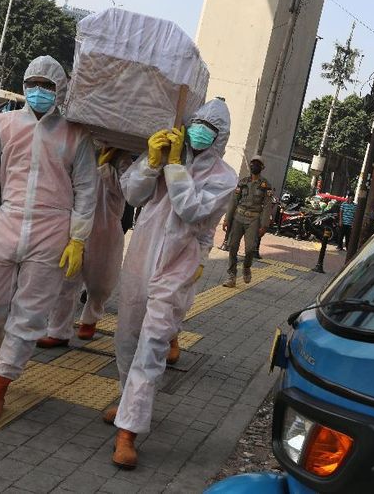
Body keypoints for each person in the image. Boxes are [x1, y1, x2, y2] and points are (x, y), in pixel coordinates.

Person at [0, 56, 97, 424]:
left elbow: (87, 189)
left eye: (47, 85)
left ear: (60, 89)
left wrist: (78, 238)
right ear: (24, 85)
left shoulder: (76, 134)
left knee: (29, 315)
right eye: (33, 83)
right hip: (8, 220)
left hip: (53, 228)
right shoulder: (2, 125)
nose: (39, 90)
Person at [110, 99, 236, 469]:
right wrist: (151, 163)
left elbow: (191, 210)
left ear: (220, 137)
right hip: (140, 259)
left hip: (178, 268)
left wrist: (176, 167)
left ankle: (128, 432)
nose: (200, 132)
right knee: (126, 338)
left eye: (209, 128)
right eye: (196, 123)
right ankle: (127, 402)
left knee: (152, 345)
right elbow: (133, 195)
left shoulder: (224, 177)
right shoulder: (165, 153)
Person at [37, 147, 132, 348]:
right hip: (75, 223)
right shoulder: (80, 149)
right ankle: (58, 331)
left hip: (105, 228)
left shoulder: (122, 159)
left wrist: (106, 167)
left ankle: (91, 317)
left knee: (101, 282)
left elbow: (128, 192)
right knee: (66, 279)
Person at [222, 156, 272, 288]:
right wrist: (227, 219)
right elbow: (233, 201)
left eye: (257, 164)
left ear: (262, 167)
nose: (254, 166)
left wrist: (264, 225)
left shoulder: (265, 185)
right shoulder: (243, 182)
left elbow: (267, 206)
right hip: (238, 217)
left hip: (253, 220)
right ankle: (231, 276)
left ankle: (246, 267)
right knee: (232, 246)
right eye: (253, 163)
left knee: (250, 249)